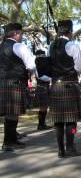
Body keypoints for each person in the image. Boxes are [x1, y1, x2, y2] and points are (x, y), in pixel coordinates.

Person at [49, 20, 81, 158]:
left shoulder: (50, 46)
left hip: (55, 86)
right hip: (69, 85)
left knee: (58, 121)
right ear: (70, 31)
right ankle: (70, 147)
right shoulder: (72, 45)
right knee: (71, 120)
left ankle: (60, 150)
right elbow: (79, 68)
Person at [0, 23, 36, 151]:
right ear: (16, 33)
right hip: (15, 82)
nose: (22, 36)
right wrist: (29, 75)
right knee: (13, 113)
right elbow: (31, 66)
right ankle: (9, 142)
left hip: (2, 83)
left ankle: (9, 140)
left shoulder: (1, 46)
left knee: (9, 113)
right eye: (21, 33)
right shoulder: (18, 46)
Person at [35, 50, 52, 130]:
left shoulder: (44, 63)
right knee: (43, 107)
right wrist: (51, 79)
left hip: (46, 86)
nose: (43, 57)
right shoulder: (36, 64)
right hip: (41, 86)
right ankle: (40, 125)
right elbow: (40, 76)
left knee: (45, 106)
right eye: (41, 55)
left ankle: (42, 124)